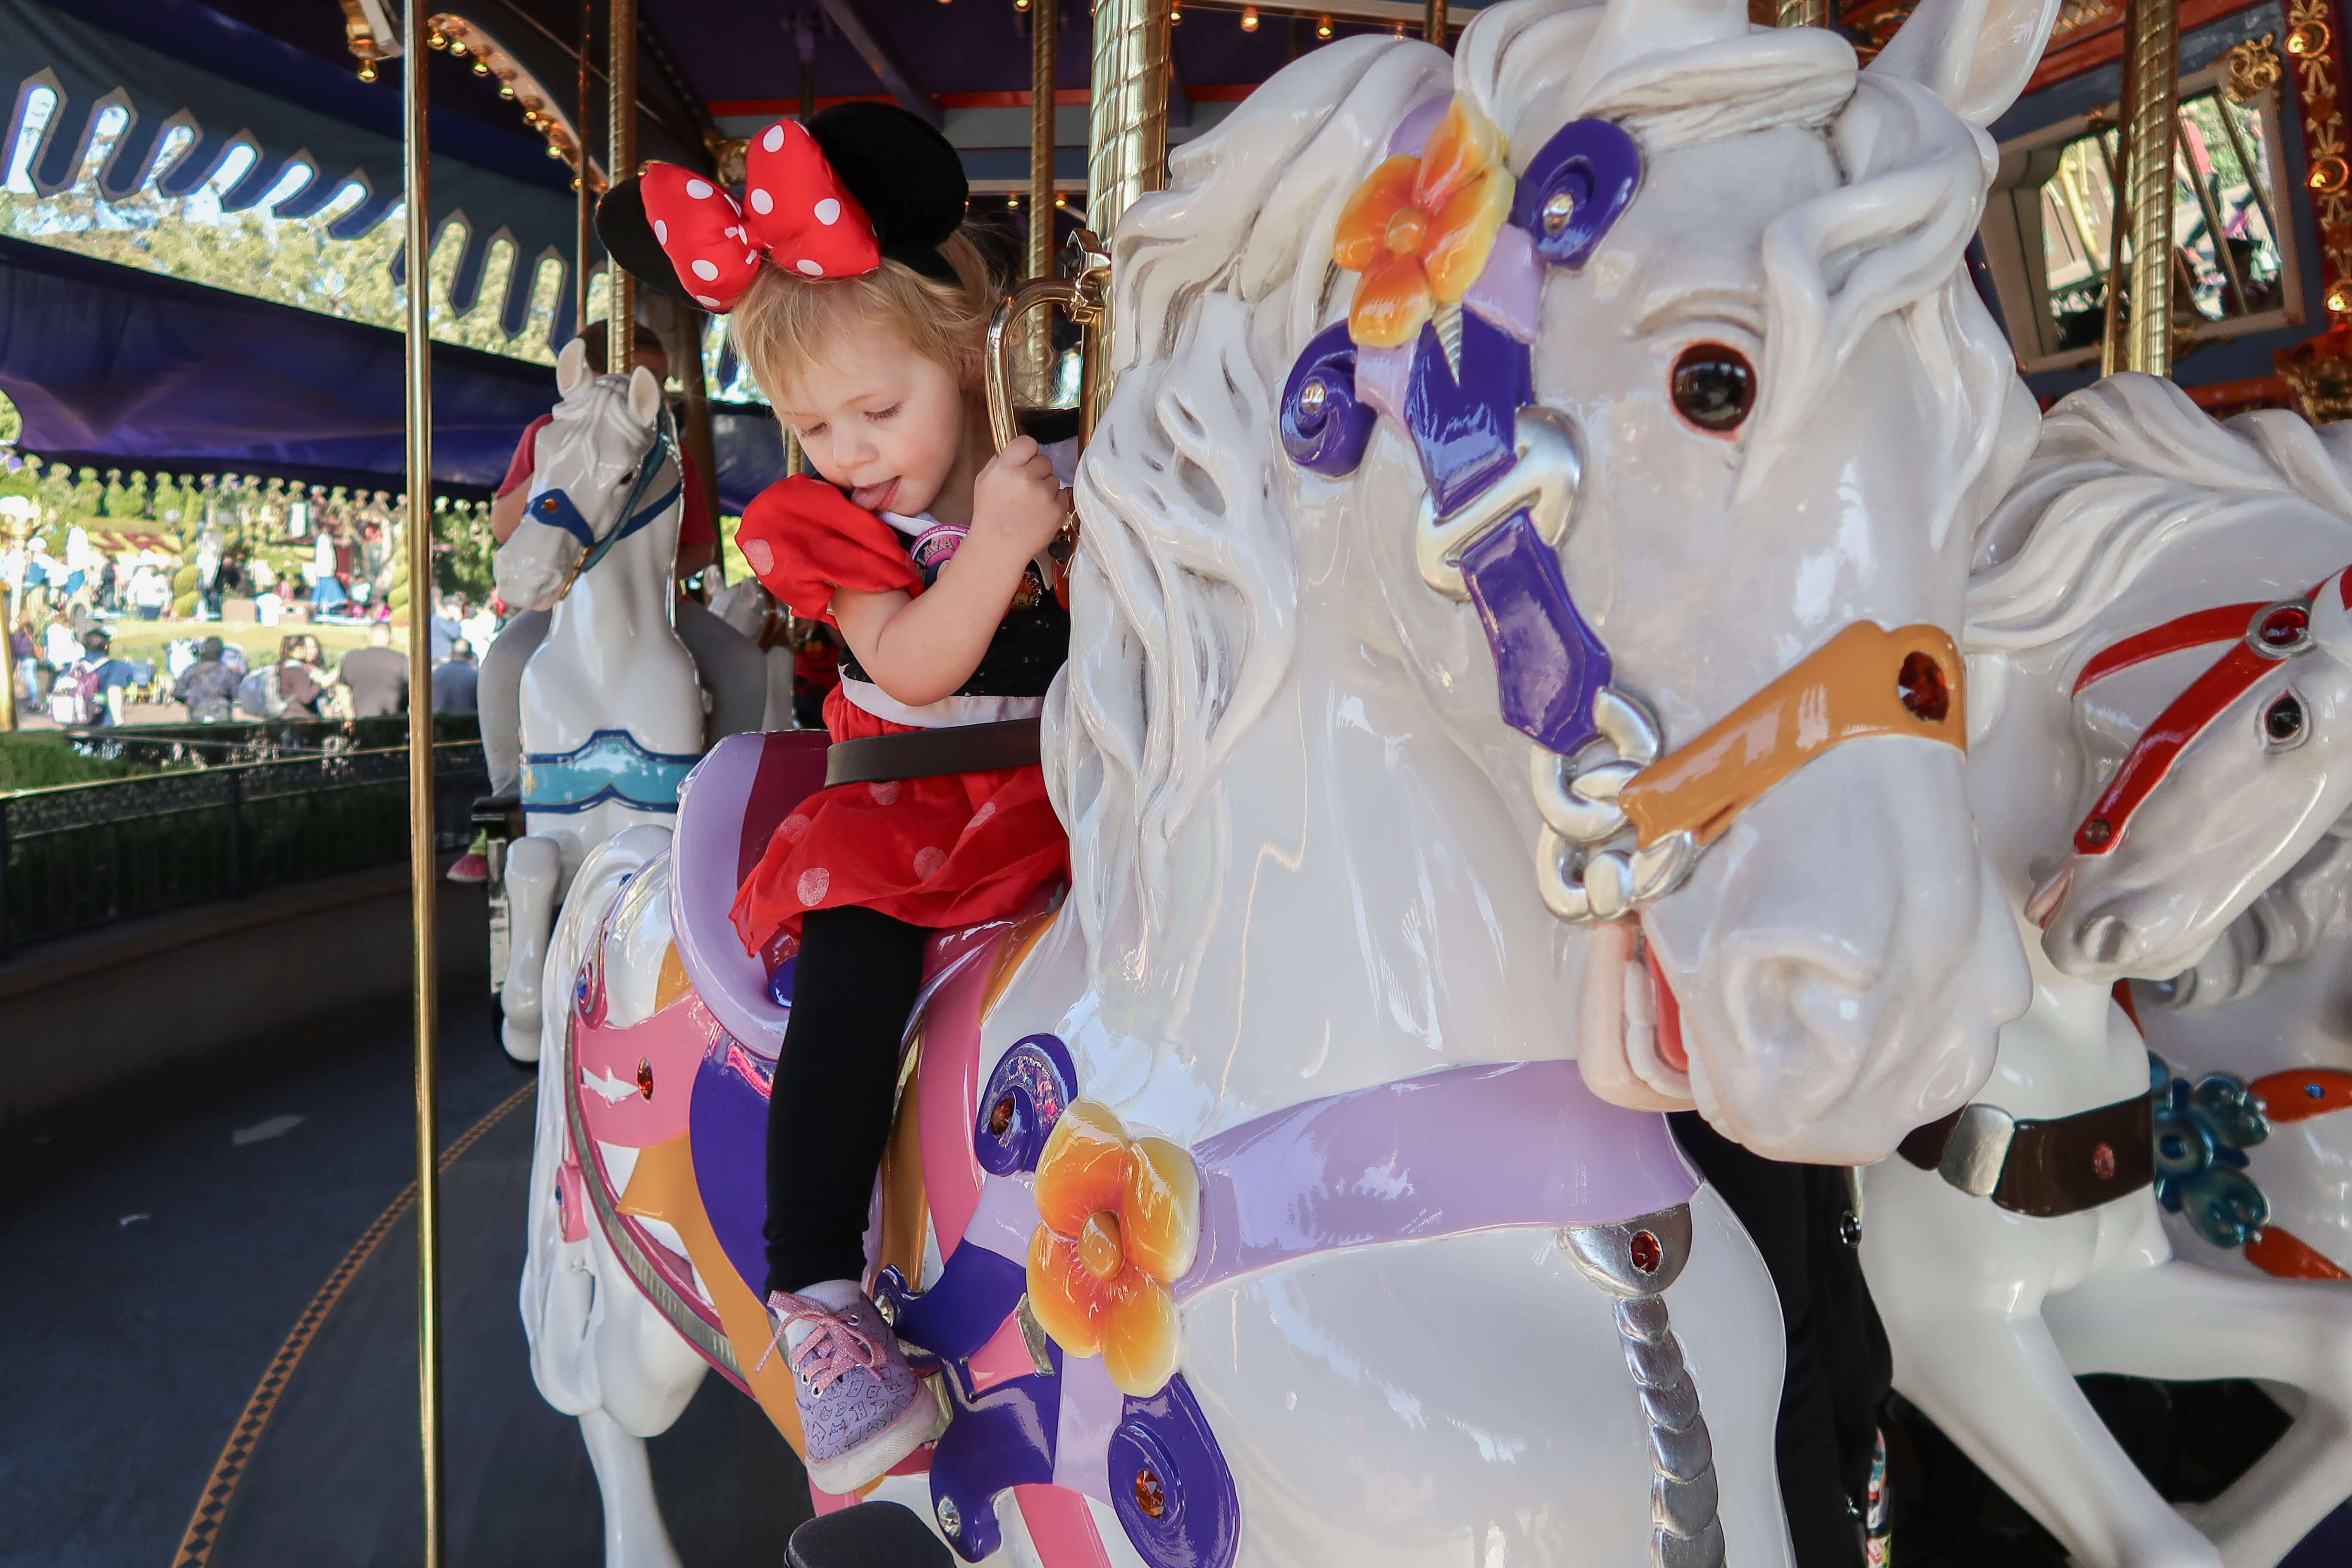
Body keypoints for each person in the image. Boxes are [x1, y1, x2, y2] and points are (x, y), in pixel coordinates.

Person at [616, 104, 1073, 1492]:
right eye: (815, 425)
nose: (851, 448)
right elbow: (915, 659)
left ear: (969, 358)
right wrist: (1001, 545)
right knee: (852, 982)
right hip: (908, 812)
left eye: (881, 410)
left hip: (1064, 795)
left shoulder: (1052, 467)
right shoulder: (829, 528)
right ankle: (820, 1297)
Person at [475, 317, 768, 799]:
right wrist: (565, 462)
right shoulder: (549, 433)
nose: (646, 397)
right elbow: (504, 526)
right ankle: (507, 792)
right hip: (564, 601)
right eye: (635, 380)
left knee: (744, 666)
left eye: (656, 385)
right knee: (502, 664)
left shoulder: (670, 457)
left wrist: (645, 576)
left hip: (657, 607)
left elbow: (700, 547)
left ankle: (721, 794)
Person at [337, 622, 409, 717]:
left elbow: (342, 691)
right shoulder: (401, 661)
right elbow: (415, 692)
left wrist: (350, 718)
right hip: (393, 725)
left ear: (369, 637)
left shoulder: (352, 658)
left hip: (361, 724)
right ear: (390, 638)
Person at [172, 635, 239, 722]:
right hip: (221, 714)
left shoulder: (191, 670)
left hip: (197, 713)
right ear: (220, 652)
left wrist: (191, 703)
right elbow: (237, 693)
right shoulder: (227, 672)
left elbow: (178, 692)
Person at [275, 633, 325, 720]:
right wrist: (319, 682)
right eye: (305, 647)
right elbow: (306, 697)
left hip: (290, 716)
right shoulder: (296, 670)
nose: (308, 651)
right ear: (298, 649)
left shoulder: (283, 666)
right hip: (300, 718)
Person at [432, 638, 479, 713]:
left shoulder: (435, 675)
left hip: (438, 723)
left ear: (451, 653)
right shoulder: (476, 677)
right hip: (467, 723)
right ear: (470, 656)